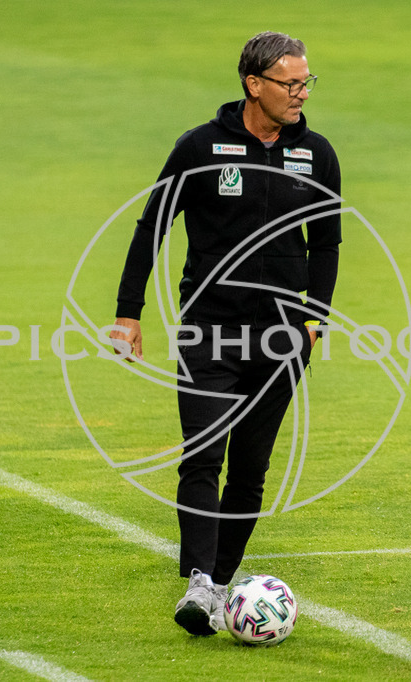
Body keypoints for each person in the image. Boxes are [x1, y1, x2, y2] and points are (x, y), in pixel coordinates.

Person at [109, 31, 341, 636]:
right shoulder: (200, 147)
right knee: (203, 454)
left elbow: (329, 243)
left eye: (305, 81)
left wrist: (316, 319)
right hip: (209, 332)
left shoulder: (316, 154)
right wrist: (128, 311)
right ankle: (204, 584)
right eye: (290, 83)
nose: (300, 93)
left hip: (283, 338)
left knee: (251, 469)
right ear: (253, 84)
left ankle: (223, 579)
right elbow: (151, 225)